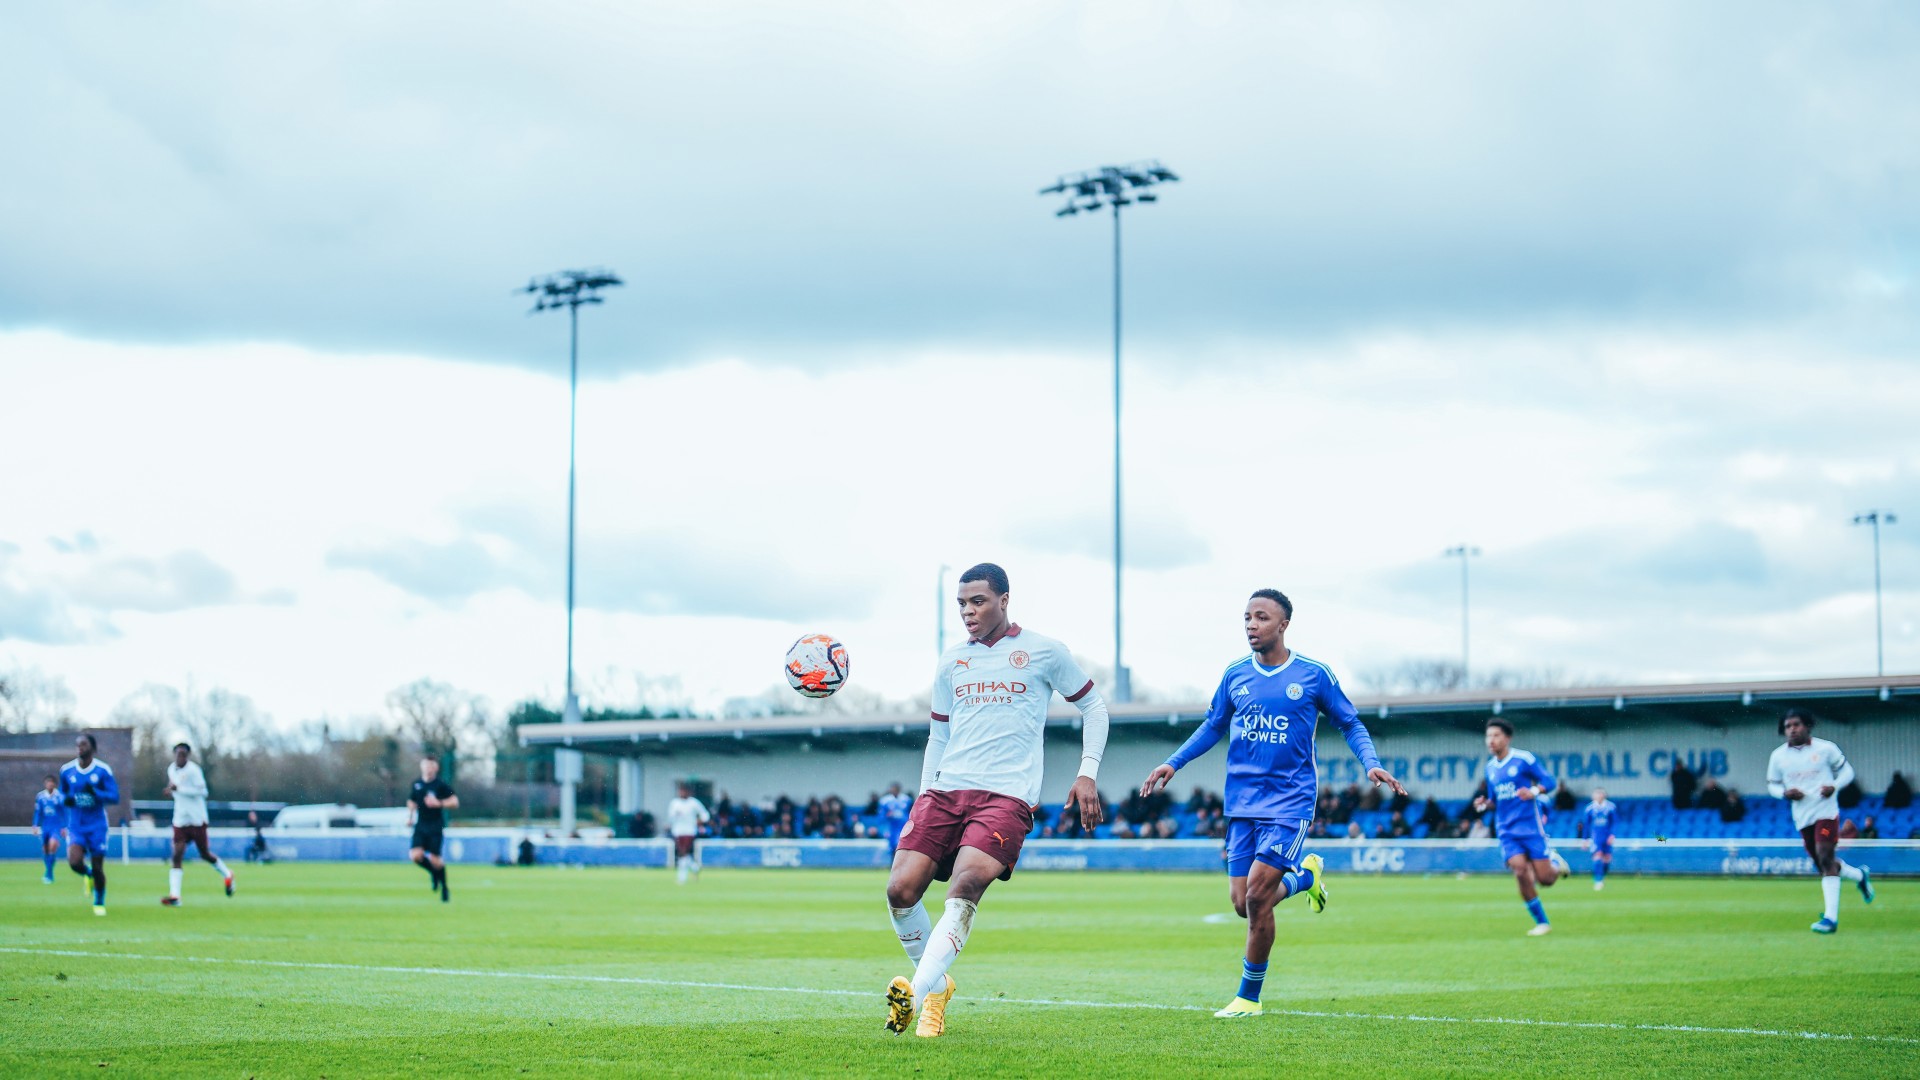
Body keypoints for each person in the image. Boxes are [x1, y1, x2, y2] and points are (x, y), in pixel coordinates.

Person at [1141, 588, 1405, 1019]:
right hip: (1241, 801)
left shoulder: (1314, 674)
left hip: (1290, 801)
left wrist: (1370, 763)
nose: (1251, 625)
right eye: (1246, 618)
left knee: (1259, 899)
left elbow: (1350, 722)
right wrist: (1174, 763)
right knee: (1241, 902)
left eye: (1261, 618)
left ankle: (1249, 996)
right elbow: (1212, 726)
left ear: (1283, 625)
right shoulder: (1235, 675)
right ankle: (1306, 877)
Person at [884, 563, 1110, 1038]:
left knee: (964, 886)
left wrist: (1087, 772)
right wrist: (924, 794)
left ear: (1004, 600)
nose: (968, 611)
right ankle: (938, 986)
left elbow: (1093, 705)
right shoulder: (951, 661)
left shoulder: (1045, 651)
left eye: (978, 601)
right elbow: (938, 735)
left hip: (1006, 796)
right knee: (900, 891)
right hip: (945, 791)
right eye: (962, 603)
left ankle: (918, 993)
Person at [1767, 708, 1873, 932]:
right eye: (1788, 726)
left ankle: (1830, 920)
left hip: (1825, 811)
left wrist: (1834, 786)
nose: (1792, 729)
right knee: (1823, 864)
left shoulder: (1826, 749)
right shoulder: (1778, 756)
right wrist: (1784, 793)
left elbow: (1848, 773)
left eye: (1796, 724)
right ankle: (1859, 875)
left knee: (1825, 858)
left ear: (1807, 726)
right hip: (1802, 816)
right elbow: (1773, 784)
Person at [1473, 720, 1568, 936]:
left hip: (1531, 828)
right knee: (1520, 870)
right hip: (1506, 830)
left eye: (1496, 735)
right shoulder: (1490, 768)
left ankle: (1555, 863)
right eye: (1488, 736)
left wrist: (1534, 791)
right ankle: (1542, 922)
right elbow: (1494, 799)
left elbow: (1550, 781)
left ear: (1507, 738)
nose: (1491, 740)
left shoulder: (1524, 759)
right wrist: (1484, 804)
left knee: (1545, 879)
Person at [161, 742, 234, 906]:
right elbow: (174, 788)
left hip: (196, 819)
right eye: (178, 754)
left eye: (183, 754)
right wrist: (170, 790)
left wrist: (179, 789)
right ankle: (175, 896)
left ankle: (227, 874)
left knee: (204, 854)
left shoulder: (194, 771)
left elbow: (203, 792)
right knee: (177, 854)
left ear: (188, 756)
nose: (180, 757)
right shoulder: (171, 769)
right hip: (180, 819)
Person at [59, 733, 119, 916]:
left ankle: (99, 900)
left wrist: (96, 792)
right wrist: (66, 800)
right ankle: (88, 874)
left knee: (98, 865)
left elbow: (114, 796)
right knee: (74, 862)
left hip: (97, 826)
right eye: (77, 745)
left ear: (92, 747)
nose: (80, 748)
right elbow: (62, 795)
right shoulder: (67, 770)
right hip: (76, 825)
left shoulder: (102, 770)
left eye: (83, 745)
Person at [407, 756, 459, 902]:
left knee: (436, 860)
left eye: (431, 766)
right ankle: (434, 874)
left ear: (435, 768)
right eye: (426, 765)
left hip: (435, 825)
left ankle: (444, 887)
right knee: (415, 856)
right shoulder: (417, 784)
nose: (428, 769)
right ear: (422, 767)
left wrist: (439, 803)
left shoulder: (440, 785)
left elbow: (455, 802)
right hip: (421, 825)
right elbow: (411, 801)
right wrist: (410, 817)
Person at [667, 782, 710, 884]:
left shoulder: (693, 803)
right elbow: (670, 817)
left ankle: (682, 877)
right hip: (677, 831)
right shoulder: (675, 803)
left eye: (684, 791)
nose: (682, 793)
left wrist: (699, 821)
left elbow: (705, 815)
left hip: (689, 831)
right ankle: (694, 867)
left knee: (683, 852)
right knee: (682, 853)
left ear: (688, 792)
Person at [1579, 787, 1617, 890]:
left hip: (1607, 836)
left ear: (1604, 795)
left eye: (1600, 794)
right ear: (1593, 796)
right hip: (1596, 837)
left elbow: (1614, 822)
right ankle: (1598, 881)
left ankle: (1602, 876)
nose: (1599, 796)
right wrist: (1585, 839)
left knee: (1607, 859)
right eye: (1597, 794)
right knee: (1597, 856)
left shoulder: (1611, 807)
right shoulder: (1589, 809)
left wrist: (1612, 834)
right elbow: (1586, 825)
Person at [34, 774, 65, 884]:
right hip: (45, 826)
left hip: (56, 827)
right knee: (46, 850)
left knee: (52, 846)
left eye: (51, 782)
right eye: (48, 782)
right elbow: (38, 812)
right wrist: (35, 825)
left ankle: (49, 873)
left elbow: (64, 813)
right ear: (45, 784)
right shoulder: (40, 797)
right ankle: (48, 872)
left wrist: (64, 827)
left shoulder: (60, 796)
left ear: (55, 784)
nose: (49, 784)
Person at [878, 783, 913, 854]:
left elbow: (911, 812)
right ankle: (893, 862)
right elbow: (881, 815)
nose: (894, 791)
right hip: (891, 826)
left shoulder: (906, 799)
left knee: (902, 845)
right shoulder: (885, 800)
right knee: (892, 845)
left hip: (903, 825)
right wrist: (887, 815)